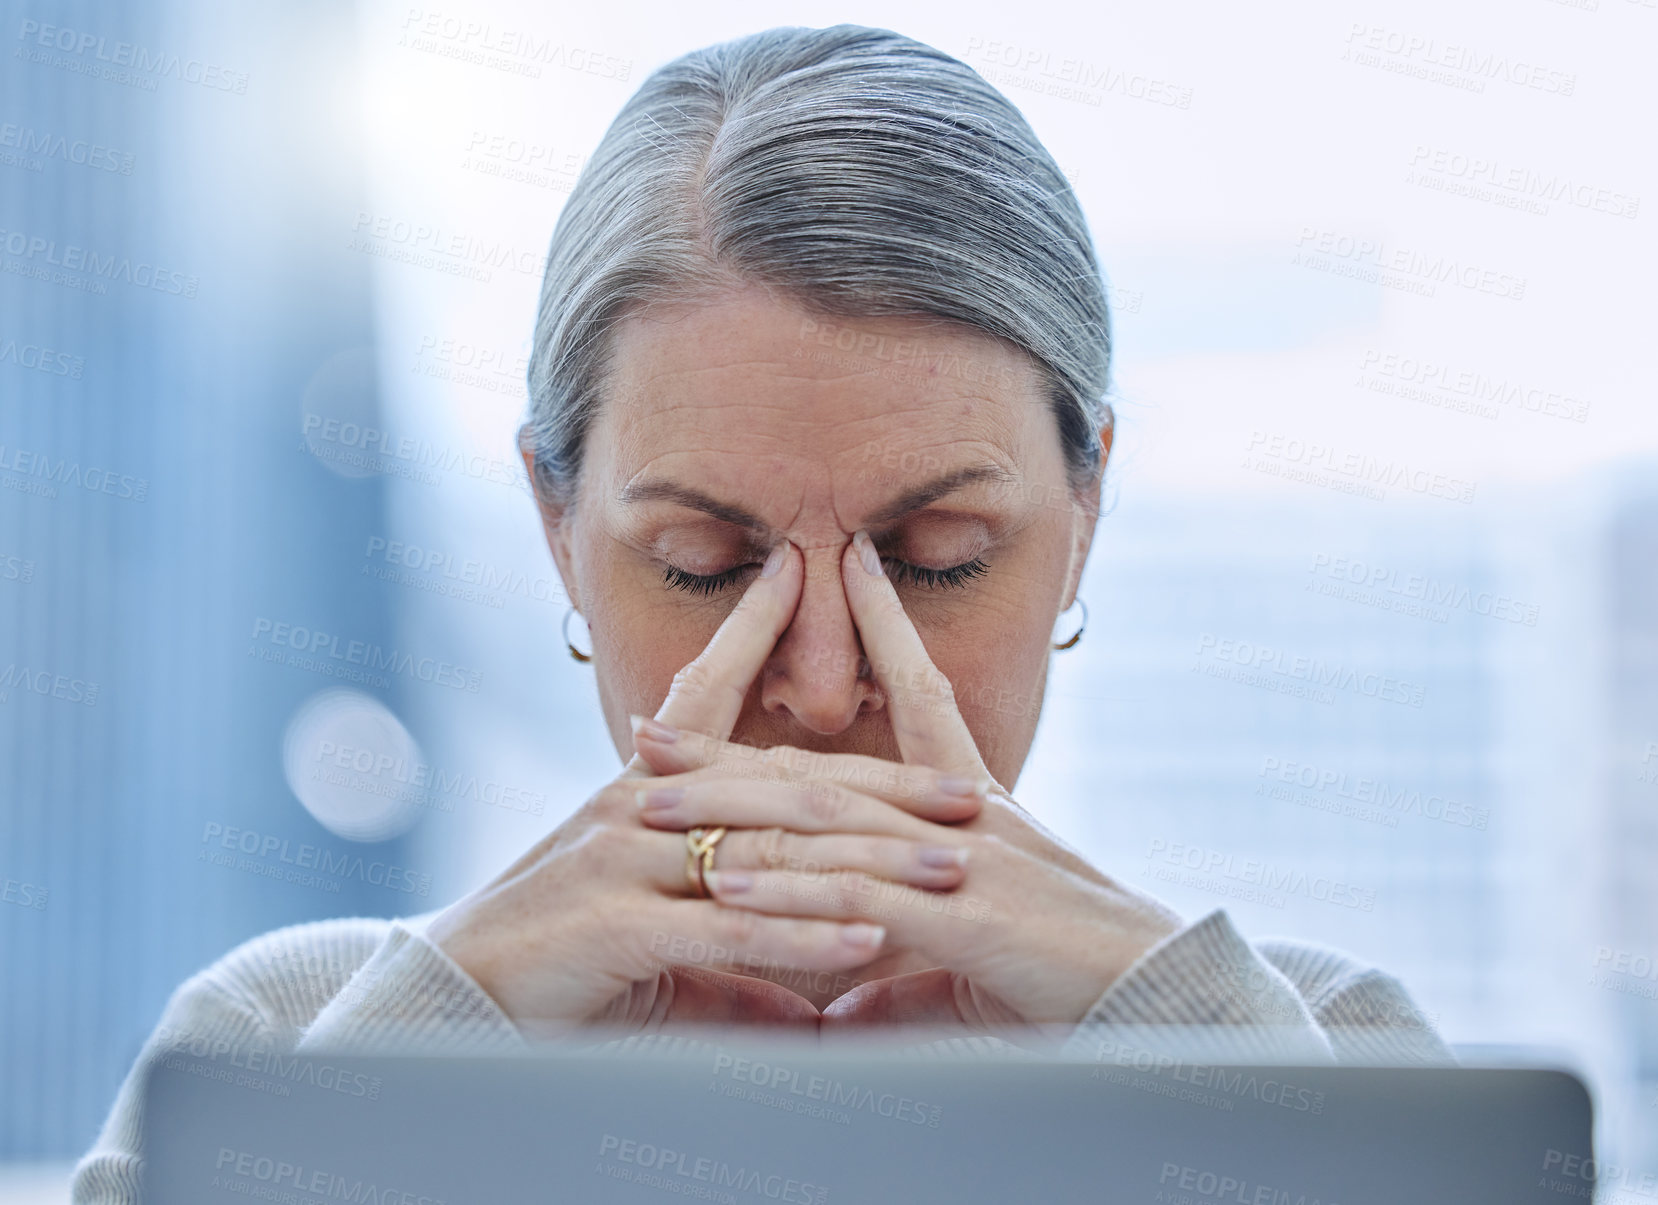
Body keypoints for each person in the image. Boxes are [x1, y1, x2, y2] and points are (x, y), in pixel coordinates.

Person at [71, 23, 1449, 1203]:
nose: (821, 679)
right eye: (704, 562)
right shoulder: (289, 1039)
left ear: (1082, 516)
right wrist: (436, 1044)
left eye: (934, 553)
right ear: (559, 532)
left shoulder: (1309, 1044)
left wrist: (1181, 1043)